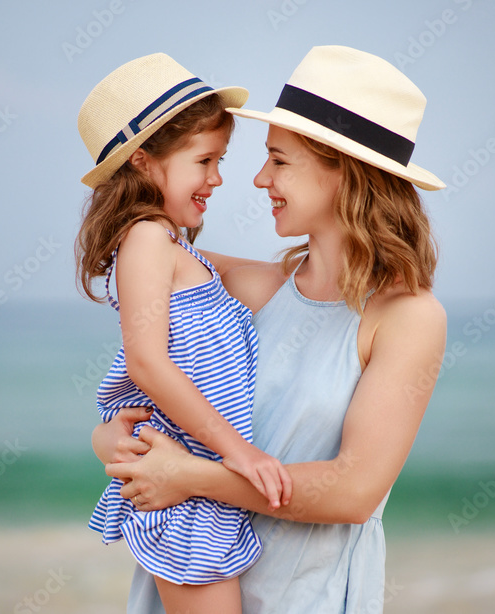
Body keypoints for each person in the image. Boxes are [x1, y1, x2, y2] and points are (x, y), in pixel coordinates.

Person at [93, 45, 449, 613]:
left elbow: (354, 492)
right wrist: (113, 439)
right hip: (192, 577)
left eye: (279, 160)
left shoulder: (409, 318)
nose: (258, 179)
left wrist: (191, 477)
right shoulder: (244, 286)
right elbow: (150, 364)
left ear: (343, 169)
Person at [75, 53, 293, 614]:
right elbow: (146, 364)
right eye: (205, 160)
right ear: (144, 162)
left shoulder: (177, 249)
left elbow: (270, 277)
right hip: (187, 496)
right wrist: (239, 453)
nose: (218, 178)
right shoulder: (146, 240)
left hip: (201, 485)